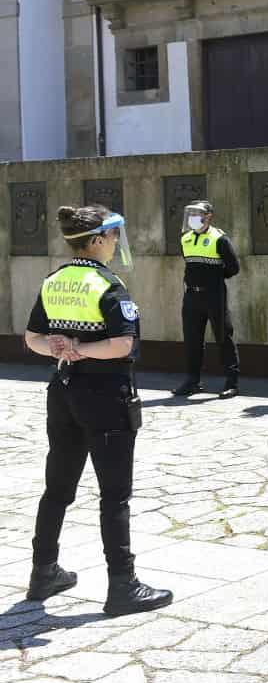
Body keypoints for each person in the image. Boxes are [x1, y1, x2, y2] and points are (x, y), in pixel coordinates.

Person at [22, 205, 173, 617]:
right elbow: (122, 345)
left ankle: (43, 572)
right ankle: (123, 585)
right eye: (112, 237)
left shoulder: (54, 281)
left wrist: (61, 348)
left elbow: (33, 338)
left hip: (64, 391)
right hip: (105, 396)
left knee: (57, 488)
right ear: (97, 240)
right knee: (115, 494)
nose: (115, 243)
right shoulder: (107, 285)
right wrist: (84, 349)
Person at [172, 200, 241, 399]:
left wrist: (215, 279)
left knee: (223, 336)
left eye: (197, 214)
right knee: (192, 340)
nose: (192, 217)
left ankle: (232, 383)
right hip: (191, 295)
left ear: (208, 216)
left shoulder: (219, 239)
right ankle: (193, 381)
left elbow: (234, 268)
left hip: (214, 295)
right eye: (191, 213)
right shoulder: (185, 238)